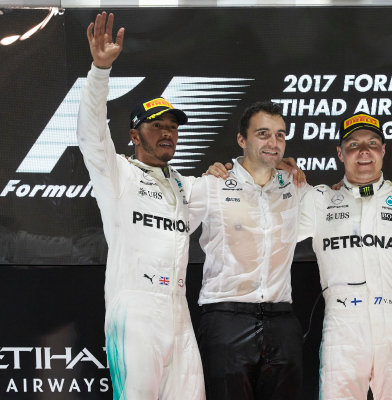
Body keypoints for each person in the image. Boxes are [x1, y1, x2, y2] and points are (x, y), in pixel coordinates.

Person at [77, 12, 204, 400]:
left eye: (173, 127)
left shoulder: (187, 186)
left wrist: (278, 166)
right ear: (134, 134)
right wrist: (100, 71)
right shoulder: (116, 174)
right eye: (157, 126)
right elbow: (91, 132)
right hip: (135, 311)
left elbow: (240, 187)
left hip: (178, 312)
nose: (168, 133)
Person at [296, 113, 392, 399]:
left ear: (383, 150)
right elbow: (272, 235)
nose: (363, 151)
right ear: (340, 153)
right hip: (342, 328)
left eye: (372, 143)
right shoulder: (319, 200)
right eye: (353, 144)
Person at [188, 101, 308, 400]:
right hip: (226, 317)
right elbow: (169, 230)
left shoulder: (296, 187)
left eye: (280, 135)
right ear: (242, 140)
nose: (273, 142)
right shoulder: (212, 184)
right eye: (263, 134)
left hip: (281, 319)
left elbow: (341, 205)